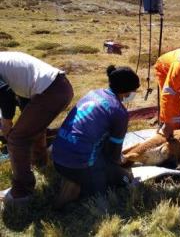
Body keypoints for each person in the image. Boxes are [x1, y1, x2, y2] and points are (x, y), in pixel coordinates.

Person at [51, 65, 140, 206]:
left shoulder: (93, 93)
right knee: (124, 180)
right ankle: (77, 187)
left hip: (56, 157)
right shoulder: (119, 112)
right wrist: (121, 168)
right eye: (134, 90)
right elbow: (114, 155)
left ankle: (74, 179)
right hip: (78, 165)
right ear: (127, 91)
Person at [0, 51, 73, 205]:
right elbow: (17, 88)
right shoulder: (5, 59)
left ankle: (22, 193)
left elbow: (5, 94)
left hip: (50, 91)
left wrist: (6, 122)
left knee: (17, 140)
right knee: (32, 130)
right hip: (59, 86)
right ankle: (40, 164)